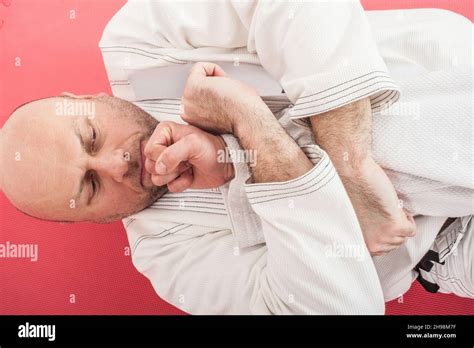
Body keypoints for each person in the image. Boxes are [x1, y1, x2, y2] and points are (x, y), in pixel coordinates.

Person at [0, 1, 472, 313]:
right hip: (450, 249)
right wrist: (250, 127)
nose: (116, 164)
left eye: (91, 137)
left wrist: (349, 165)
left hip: (437, 81)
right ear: (90, 222)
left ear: (81, 96)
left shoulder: (139, 41)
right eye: (91, 186)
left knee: (390, 127)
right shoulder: (166, 254)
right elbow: (334, 309)